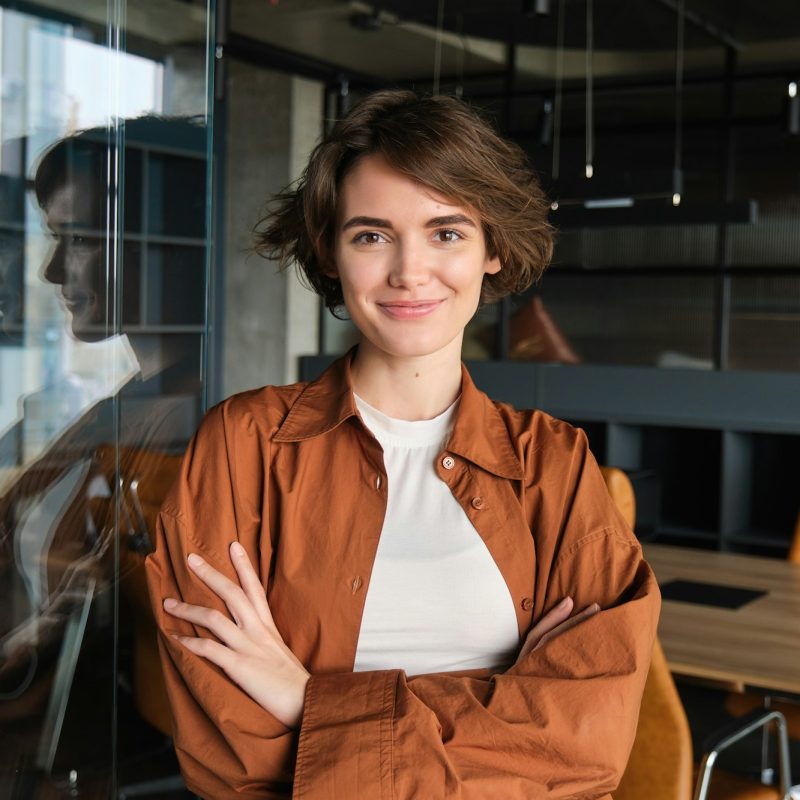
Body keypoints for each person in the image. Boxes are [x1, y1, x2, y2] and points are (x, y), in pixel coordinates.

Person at [146, 90, 660, 800]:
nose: (409, 272)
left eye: (446, 233)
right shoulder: (244, 446)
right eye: (371, 235)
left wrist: (308, 704)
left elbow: (585, 750)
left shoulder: (555, 464)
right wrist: (499, 712)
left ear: (492, 251)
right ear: (330, 252)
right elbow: (230, 756)